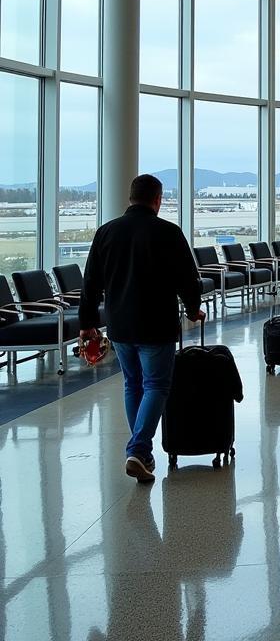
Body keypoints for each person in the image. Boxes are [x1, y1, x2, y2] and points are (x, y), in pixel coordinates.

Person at [78, 174, 206, 483]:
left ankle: (142, 456)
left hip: (120, 324)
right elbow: (188, 279)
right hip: (156, 323)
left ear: (130, 197)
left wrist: (87, 324)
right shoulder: (168, 232)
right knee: (157, 385)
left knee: (132, 384)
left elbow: (91, 282)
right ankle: (137, 448)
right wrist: (192, 309)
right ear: (158, 200)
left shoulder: (106, 232)